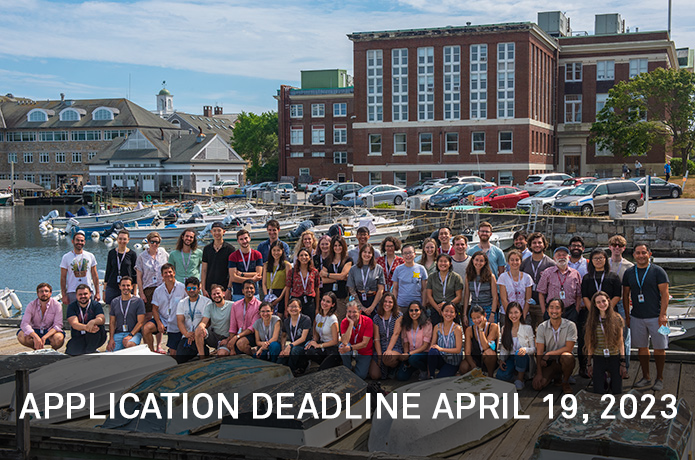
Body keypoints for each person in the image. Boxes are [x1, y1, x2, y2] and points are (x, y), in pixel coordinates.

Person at [623, 243, 669, 391]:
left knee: (659, 348)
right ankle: (646, 376)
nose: (641, 255)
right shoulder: (629, 272)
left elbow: (665, 294)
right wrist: (628, 316)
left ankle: (659, 378)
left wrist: (663, 315)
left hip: (657, 317)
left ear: (649, 254)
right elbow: (625, 295)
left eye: (644, 252)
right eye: (638, 253)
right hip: (637, 317)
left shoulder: (658, 271)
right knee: (642, 348)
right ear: (634, 255)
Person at [581, 248, 622, 376]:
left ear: (606, 259)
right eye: (595, 258)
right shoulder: (587, 277)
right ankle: (589, 368)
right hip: (592, 315)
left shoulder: (613, 276)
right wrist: (594, 310)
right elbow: (585, 296)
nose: (598, 261)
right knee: (592, 340)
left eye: (601, 258)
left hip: (611, 315)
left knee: (612, 339)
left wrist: (607, 309)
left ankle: (615, 368)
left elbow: (617, 295)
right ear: (591, 261)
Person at [585, 291, 627, 394]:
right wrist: (589, 363)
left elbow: (621, 341)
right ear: (595, 304)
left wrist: (623, 361)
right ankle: (603, 380)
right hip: (599, 356)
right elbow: (590, 343)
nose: (602, 304)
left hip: (614, 356)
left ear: (608, 301)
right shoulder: (592, 320)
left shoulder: (617, 318)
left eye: (604, 301)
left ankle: (610, 381)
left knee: (617, 391)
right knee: (598, 391)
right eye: (598, 302)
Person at [533, 298, 577, 394]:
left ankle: (565, 381)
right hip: (549, 362)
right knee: (538, 385)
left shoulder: (570, 325)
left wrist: (549, 353)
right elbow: (539, 351)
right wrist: (539, 373)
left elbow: (569, 348)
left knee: (567, 356)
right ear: (547, 310)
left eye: (557, 308)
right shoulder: (542, 327)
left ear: (562, 311)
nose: (554, 311)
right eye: (551, 307)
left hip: (563, 359)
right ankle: (556, 377)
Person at [144, 263, 186, 354]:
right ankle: (151, 353)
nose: (168, 275)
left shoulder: (182, 288)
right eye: (165, 273)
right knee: (146, 328)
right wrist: (159, 323)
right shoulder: (158, 290)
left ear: (174, 273)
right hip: (163, 319)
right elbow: (154, 309)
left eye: (170, 272)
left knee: (173, 354)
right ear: (162, 275)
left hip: (176, 322)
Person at [608, 234, 634, 373]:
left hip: (624, 303)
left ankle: (626, 366)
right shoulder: (605, 263)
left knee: (625, 336)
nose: (616, 248)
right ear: (609, 247)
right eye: (614, 245)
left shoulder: (629, 266)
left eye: (619, 246)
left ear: (623, 248)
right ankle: (609, 367)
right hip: (607, 304)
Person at [520, 232, 556, 330]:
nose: (537, 245)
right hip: (527, 304)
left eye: (539, 243)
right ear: (530, 245)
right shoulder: (524, 262)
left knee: (543, 332)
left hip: (542, 305)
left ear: (544, 245)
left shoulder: (551, 263)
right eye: (534, 243)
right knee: (527, 332)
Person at [537, 246, 582, 323]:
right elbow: (541, 293)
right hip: (552, 311)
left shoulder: (575, 274)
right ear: (554, 258)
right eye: (558, 255)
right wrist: (544, 311)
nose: (561, 257)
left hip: (570, 310)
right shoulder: (547, 273)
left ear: (569, 257)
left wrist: (576, 311)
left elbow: (579, 295)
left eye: (564, 255)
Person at [496, 302, 535, 389]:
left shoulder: (527, 328)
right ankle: (515, 373)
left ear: (521, 313)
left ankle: (520, 379)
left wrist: (525, 350)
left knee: (519, 354)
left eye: (516, 312)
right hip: (511, 357)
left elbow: (533, 349)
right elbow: (504, 348)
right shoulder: (504, 329)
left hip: (524, 357)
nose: (513, 315)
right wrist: (501, 359)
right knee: (500, 376)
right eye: (511, 313)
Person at [217, 280, 261, 357]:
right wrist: (232, 347)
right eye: (247, 288)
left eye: (251, 288)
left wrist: (236, 337)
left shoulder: (259, 305)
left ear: (255, 290)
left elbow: (252, 328)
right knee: (222, 353)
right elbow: (232, 327)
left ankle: (254, 357)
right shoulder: (235, 305)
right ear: (242, 291)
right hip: (238, 336)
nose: (249, 290)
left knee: (241, 343)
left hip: (253, 335)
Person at [175, 277, 212, 363]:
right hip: (188, 335)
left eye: (194, 288)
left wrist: (196, 334)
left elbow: (205, 321)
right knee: (180, 358)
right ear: (185, 289)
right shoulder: (181, 303)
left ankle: (202, 355)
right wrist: (187, 334)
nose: (191, 290)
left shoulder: (206, 302)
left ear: (199, 289)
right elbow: (180, 321)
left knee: (200, 331)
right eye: (189, 288)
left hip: (201, 334)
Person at [18, 283, 65, 351]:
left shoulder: (57, 305)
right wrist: (35, 336)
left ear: (50, 293)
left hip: (49, 331)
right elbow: (24, 324)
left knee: (59, 338)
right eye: (41, 291)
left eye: (46, 291)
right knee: (21, 335)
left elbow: (58, 325)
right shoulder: (31, 305)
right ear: (37, 294)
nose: (44, 293)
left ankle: (52, 352)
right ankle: (37, 349)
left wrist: (44, 337)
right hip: (35, 330)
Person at [369, 293, 403, 379]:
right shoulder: (376, 318)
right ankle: (386, 370)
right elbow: (376, 338)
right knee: (374, 375)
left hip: (394, 347)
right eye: (385, 301)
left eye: (390, 302)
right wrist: (380, 356)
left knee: (388, 358)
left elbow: (396, 334)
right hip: (381, 347)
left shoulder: (398, 316)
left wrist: (389, 350)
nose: (387, 304)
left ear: (394, 304)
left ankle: (394, 368)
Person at [65, 284, 106, 355]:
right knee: (70, 350)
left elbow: (101, 318)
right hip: (79, 335)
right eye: (80, 294)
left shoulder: (96, 305)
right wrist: (87, 327)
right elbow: (74, 324)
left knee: (95, 331)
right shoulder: (72, 306)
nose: (83, 296)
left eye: (85, 294)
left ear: (90, 294)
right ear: (76, 295)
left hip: (95, 334)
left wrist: (93, 321)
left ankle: (91, 351)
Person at [135, 231, 169, 318]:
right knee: (148, 314)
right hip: (148, 289)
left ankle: (160, 332)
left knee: (162, 314)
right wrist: (141, 293)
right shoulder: (141, 257)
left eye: (157, 242)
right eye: (152, 241)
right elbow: (139, 277)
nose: (155, 244)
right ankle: (147, 331)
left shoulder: (163, 253)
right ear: (148, 242)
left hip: (162, 288)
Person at [106, 276, 145, 351]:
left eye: (128, 285)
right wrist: (111, 339)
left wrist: (130, 335)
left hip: (133, 333)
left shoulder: (138, 301)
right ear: (119, 286)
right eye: (123, 285)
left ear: (132, 287)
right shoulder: (114, 302)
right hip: (118, 333)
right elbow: (112, 322)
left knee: (129, 345)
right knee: (110, 352)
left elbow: (141, 322)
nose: (125, 287)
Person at [319, 235, 353, 322]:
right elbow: (323, 280)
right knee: (328, 320)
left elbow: (342, 275)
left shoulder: (347, 260)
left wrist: (327, 274)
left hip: (341, 296)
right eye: (335, 245)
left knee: (340, 320)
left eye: (339, 245)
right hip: (328, 297)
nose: (337, 248)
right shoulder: (327, 260)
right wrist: (339, 278)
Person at [60, 231, 100, 305]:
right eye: (77, 240)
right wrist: (64, 295)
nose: (79, 242)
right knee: (73, 315)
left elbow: (95, 275)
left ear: (84, 242)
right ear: (73, 241)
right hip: (72, 291)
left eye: (82, 241)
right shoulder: (66, 257)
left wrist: (97, 292)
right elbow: (63, 277)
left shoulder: (90, 256)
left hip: (87, 291)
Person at [396, 301, 432, 380]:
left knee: (413, 359)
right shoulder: (406, 324)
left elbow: (425, 346)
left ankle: (424, 370)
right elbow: (405, 343)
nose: (414, 313)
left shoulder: (427, 324)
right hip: (411, 354)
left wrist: (409, 354)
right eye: (411, 310)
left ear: (421, 311)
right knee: (401, 377)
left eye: (416, 310)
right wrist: (406, 356)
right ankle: (415, 369)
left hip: (423, 354)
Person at [305, 292, 341, 370]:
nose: (324, 303)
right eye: (323, 300)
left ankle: (331, 364)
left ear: (333, 304)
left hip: (332, 348)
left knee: (322, 370)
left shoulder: (333, 319)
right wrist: (313, 342)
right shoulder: (318, 316)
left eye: (328, 302)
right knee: (308, 350)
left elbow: (335, 341)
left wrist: (319, 346)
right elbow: (316, 334)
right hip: (322, 345)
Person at [347, 243, 385, 317]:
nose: (367, 254)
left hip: (374, 300)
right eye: (364, 252)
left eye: (369, 252)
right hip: (359, 300)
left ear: (372, 255)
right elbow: (351, 288)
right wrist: (360, 306)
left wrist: (372, 307)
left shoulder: (378, 268)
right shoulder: (353, 269)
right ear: (361, 253)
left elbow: (381, 289)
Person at [194, 284, 232, 357]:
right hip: (214, 336)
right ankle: (202, 357)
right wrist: (200, 327)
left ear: (223, 294)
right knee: (199, 330)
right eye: (214, 294)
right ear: (211, 296)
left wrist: (229, 339)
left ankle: (221, 350)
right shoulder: (209, 307)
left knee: (221, 354)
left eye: (218, 293)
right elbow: (204, 322)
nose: (216, 296)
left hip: (227, 337)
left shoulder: (232, 306)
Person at [339, 300, 374, 379]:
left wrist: (350, 348)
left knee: (361, 376)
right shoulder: (344, 322)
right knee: (342, 347)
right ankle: (347, 368)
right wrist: (351, 324)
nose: (351, 315)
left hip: (364, 351)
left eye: (354, 312)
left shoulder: (368, 321)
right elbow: (344, 341)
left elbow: (365, 343)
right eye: (349, 312)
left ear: (360, 312)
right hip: (350, 349)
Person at [427, 302, 463, 378]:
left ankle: (453, 371)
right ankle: (431, 375)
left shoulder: (457, 328)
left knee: (441, 378)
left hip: (452, 362)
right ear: (442, 312)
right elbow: (432, 345)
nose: (448, 314)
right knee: (432, 351)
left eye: (452, 312)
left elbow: (458, 349)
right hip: (442, 359)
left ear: (455, 315)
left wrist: (441, 349)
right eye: (446, 311)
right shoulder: (437, 327)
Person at [461, 305, 499, 377]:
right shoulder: (469, 330)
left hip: (489, 358)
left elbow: (485, 347)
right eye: (474, 318)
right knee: (463, 367)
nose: (477, 320)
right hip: (476, 358)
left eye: (478, 317)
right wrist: (473, 366)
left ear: (484, 315)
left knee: (489, 353)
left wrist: (481, 330)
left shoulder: (493, 327)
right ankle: (477, 374)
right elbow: (467, 352)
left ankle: (490, 375)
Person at [426, 253, 464, 325]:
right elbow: (429, 295)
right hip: (436, 309)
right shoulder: (432, 277)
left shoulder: (456, 277)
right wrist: (438, 308)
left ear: (450, 264)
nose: (443, 263)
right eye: (440, 261)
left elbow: (459, 297)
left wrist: (446, 306)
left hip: (452, 309)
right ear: (437, 263)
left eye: (445, 261)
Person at [200, 222, 235, 298]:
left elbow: (232, 271)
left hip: (224, 287)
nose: (217, 233)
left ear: (224, 232)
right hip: (209, 288)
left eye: (219, 230)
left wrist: (229, 289)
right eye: (214, 230)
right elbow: (204, 270)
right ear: (211, 232)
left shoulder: (230, 249)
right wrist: (203, 288)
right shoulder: (207, 249)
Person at [463, 252, 499, 325]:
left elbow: (495, 297)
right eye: (476, 260)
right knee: (475, 334)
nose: (478, 263)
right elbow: (467, 296)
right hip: (474, 309)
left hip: (487, 309)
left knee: (488, 334)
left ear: (485, 262)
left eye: (481, 261)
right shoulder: (469, 276)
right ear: (472, 260)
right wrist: (464, 314)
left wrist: (492, 313)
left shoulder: (491, 277)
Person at [498, 250, 533, 323]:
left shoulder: (527, 278)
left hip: (523, 314)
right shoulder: (503, 277)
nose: (514, 262)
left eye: (517, 260)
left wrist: (522, 316)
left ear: (521, 261)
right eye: (512, 260)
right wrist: (511, 315)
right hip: (507, 315)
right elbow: (504, 299)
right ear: (508, 262)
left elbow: (527, 300)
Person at [278, 297, 312, 374]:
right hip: (293, 345)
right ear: (287, 308)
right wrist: (283, 349)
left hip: (304, 345)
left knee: (295, 350)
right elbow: (283, 335)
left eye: (295, 306)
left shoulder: (306, 319)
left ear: (300, 308)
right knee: (280, 359)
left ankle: (292, 371)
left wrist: (289, 346)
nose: (293, 309)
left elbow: (303, 338)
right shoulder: (286, 321)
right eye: (291, 306)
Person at [104, 229, 138, 305]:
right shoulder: (111, 253)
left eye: (124, 239)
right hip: (112, 286)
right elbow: (108, 271)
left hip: (127, 287)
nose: (122, 241)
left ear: (128, 240)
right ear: (117, 239)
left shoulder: (132, 254)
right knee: (112, 312)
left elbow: (134, 274)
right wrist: (104, 291)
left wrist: (135, 291)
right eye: (120, 239)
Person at [228, 229, 263, 301]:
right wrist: (252, 279)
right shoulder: (233, 256)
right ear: (238, 241)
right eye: (241, 239)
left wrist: (242, 274)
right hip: (238, 293)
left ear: (249, 238)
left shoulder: (257, 254)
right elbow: (233, 277)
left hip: (253, 293)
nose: (244, 241)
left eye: (246, 238)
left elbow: (258, 274)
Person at [286, 248, 321, 320]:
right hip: (295, 301)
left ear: (309, 257)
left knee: (309, 325)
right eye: (301, 255)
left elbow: (317, 289)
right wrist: (286, 307)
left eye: (306, 255)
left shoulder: (314, 272)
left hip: (309, 302)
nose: (304, 257)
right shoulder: (292, 272)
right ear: (298, 258)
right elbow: (288, 289)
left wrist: (317, 308)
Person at [392, 244, 428, 313]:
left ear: (414, 254)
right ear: (402, 255)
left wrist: (423, 306)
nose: (408, 255)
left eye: (410, 253)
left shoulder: (421, 269)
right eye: (405, 253)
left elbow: (424, 289)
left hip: (417, 306)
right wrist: (395, 305)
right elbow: (395, 289)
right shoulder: (398, 269)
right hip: (401, 306)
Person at [261, 240, 292, 317]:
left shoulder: (287, 265)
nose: (276, 253)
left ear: (282, 251)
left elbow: (287, 284)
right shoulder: (266, 265)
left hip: (281, 294)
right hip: (268, 294)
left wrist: (279, 298)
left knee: (279, 316)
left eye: (278, 250)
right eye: (274, 250)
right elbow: (264, 283)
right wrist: (266, 296)